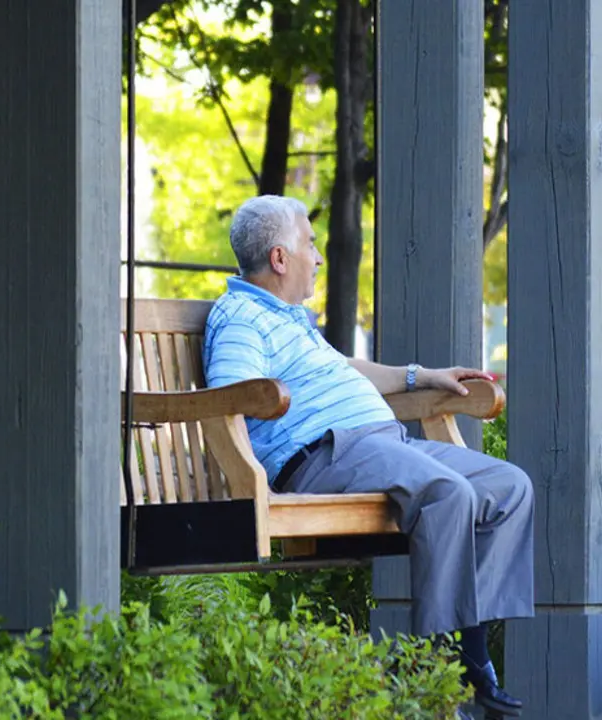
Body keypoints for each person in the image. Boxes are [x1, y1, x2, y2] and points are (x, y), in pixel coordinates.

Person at [203, 195, 534, 718]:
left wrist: (422, 377)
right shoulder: (242, 318)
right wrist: (282, 406)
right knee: (448, 494)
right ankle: (452, 670)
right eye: (309, 244)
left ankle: (466, 655)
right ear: (279, 259)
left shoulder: (290, 320)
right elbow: (233, 393)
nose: (317, 257)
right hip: (324, 454)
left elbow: (344, 369)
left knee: (510, 487)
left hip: (382, 443)